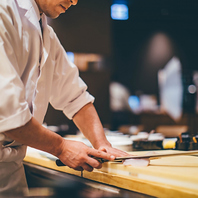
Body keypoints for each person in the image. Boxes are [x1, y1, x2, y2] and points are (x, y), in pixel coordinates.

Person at [0, 0, 128, 195]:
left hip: (11, 171)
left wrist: (102, 145)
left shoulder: (46, 34)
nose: (74, 1)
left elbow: (76, 98)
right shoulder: (4, 10)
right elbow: (8, 115)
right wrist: (60, 147)